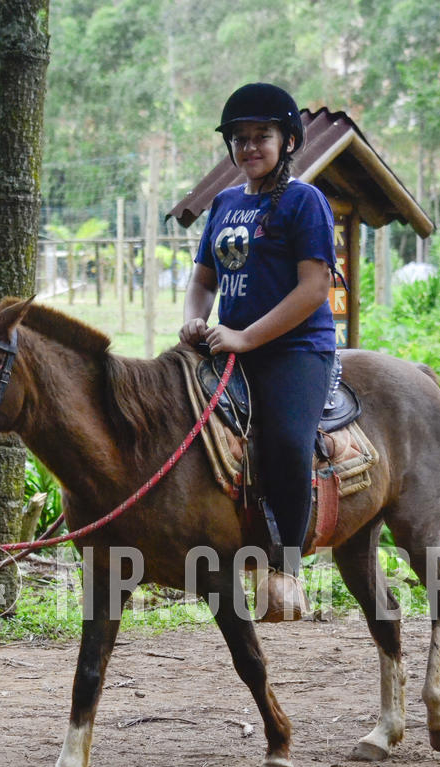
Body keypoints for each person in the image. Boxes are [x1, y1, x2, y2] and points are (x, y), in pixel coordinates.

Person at [180, 82, 336, 623]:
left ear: (287, 140)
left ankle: (287, 569)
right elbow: (203, 279)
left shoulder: (304, 201)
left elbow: (314, 287)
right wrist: (194, 317)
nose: (249, 147)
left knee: (289, 442)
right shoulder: (224, 203)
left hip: (296, 349)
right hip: (229, 347)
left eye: (261, 137)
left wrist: (246, 337)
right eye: (239, 139)